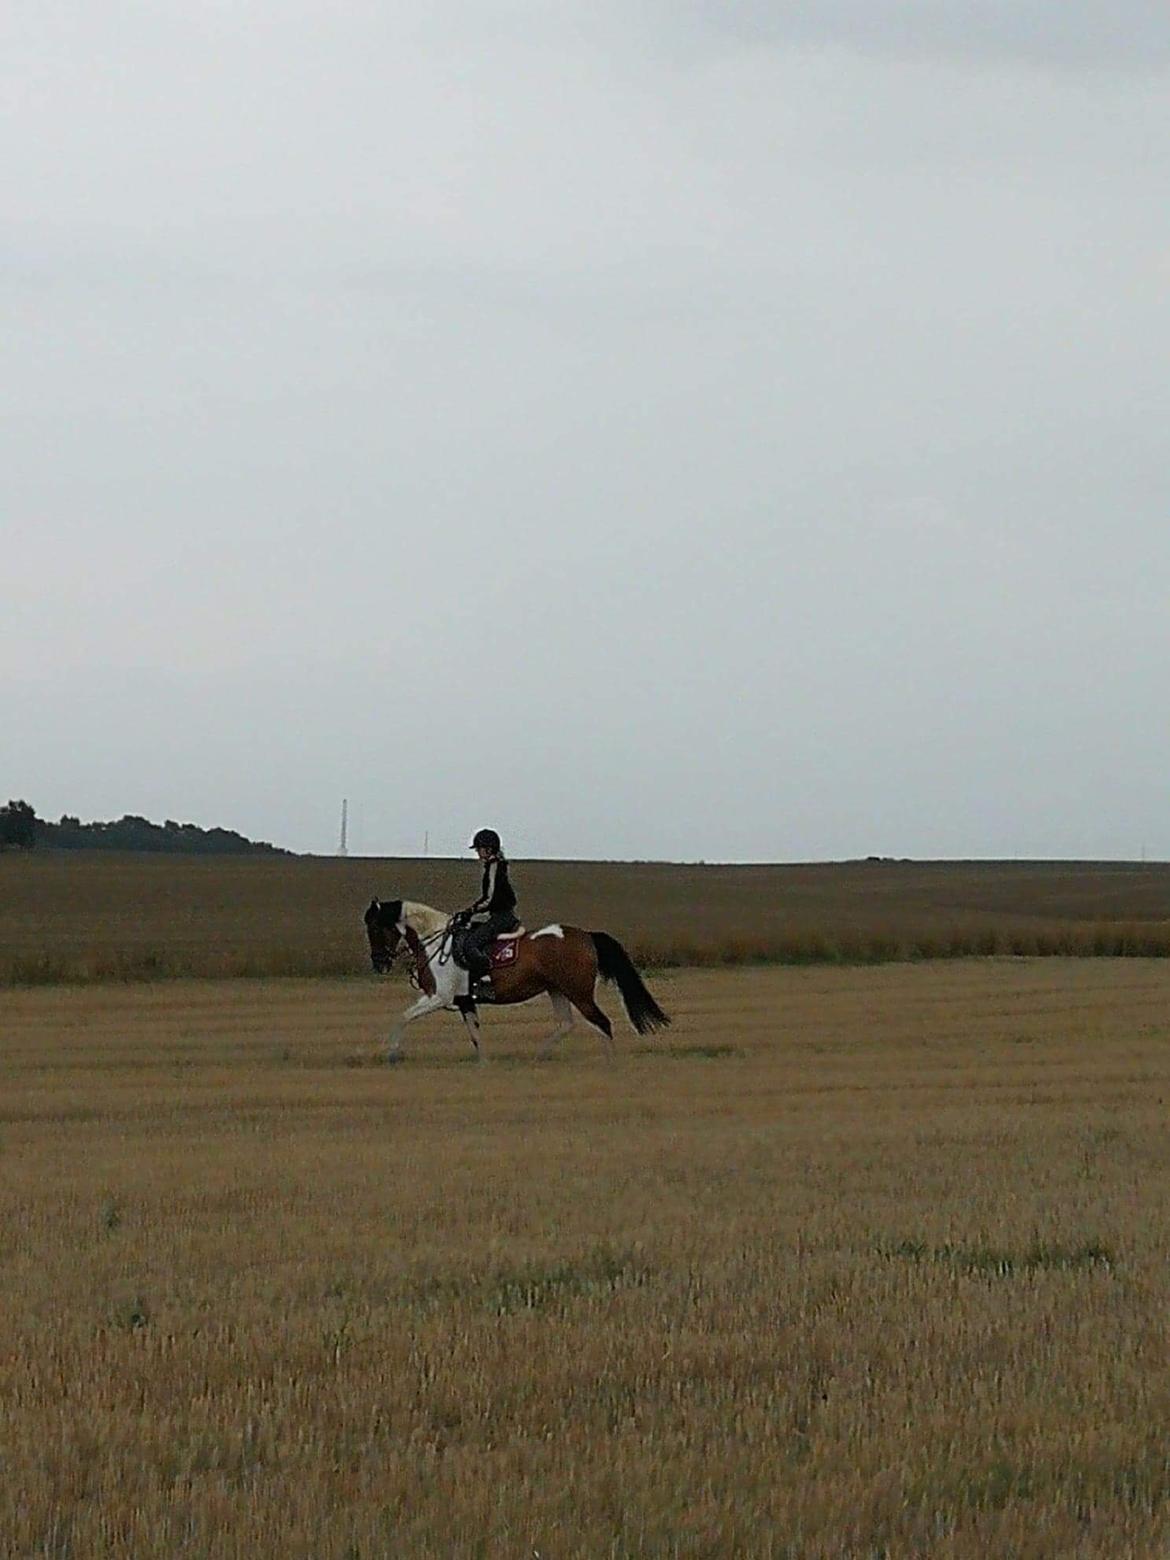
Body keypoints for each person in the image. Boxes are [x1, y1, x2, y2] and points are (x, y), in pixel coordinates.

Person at [456, 828, 519, 988]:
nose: (477, 852)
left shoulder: (494, 867)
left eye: (479, 848)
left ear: (489, 849)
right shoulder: (495, 865)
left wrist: (470, 911)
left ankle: (487, 979)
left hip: (501, 917)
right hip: (500, 915)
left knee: (471, 943)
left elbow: (490, 898)